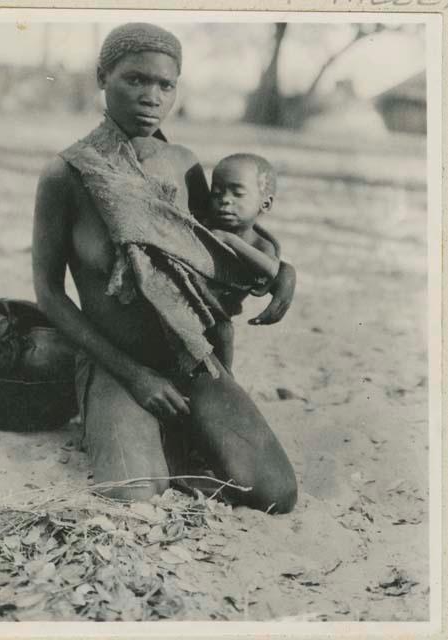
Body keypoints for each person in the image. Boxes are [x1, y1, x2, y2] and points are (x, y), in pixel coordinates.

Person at [32, 23, 297, 513]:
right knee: (135, 494)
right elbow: (48, 294)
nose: (151, 97)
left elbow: (217, 254)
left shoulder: (184, 164)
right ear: (102, 76)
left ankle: (177, 432)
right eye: (135, 80)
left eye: (165, 85)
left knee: (274, 493)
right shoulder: (67, 174)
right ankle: (129, 420)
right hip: (117, 364)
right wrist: (134, 377)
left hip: (189, 357)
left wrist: (284, 272)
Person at [203, 152, 281, 372]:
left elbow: (273, 270)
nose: (225, 199)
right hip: (189, 303)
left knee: (222, 356)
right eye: (217, 192)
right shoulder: (207, 224)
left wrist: (231, 240)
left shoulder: (261, 244)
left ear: (265, 204)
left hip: (220, 317)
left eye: (237, 193)